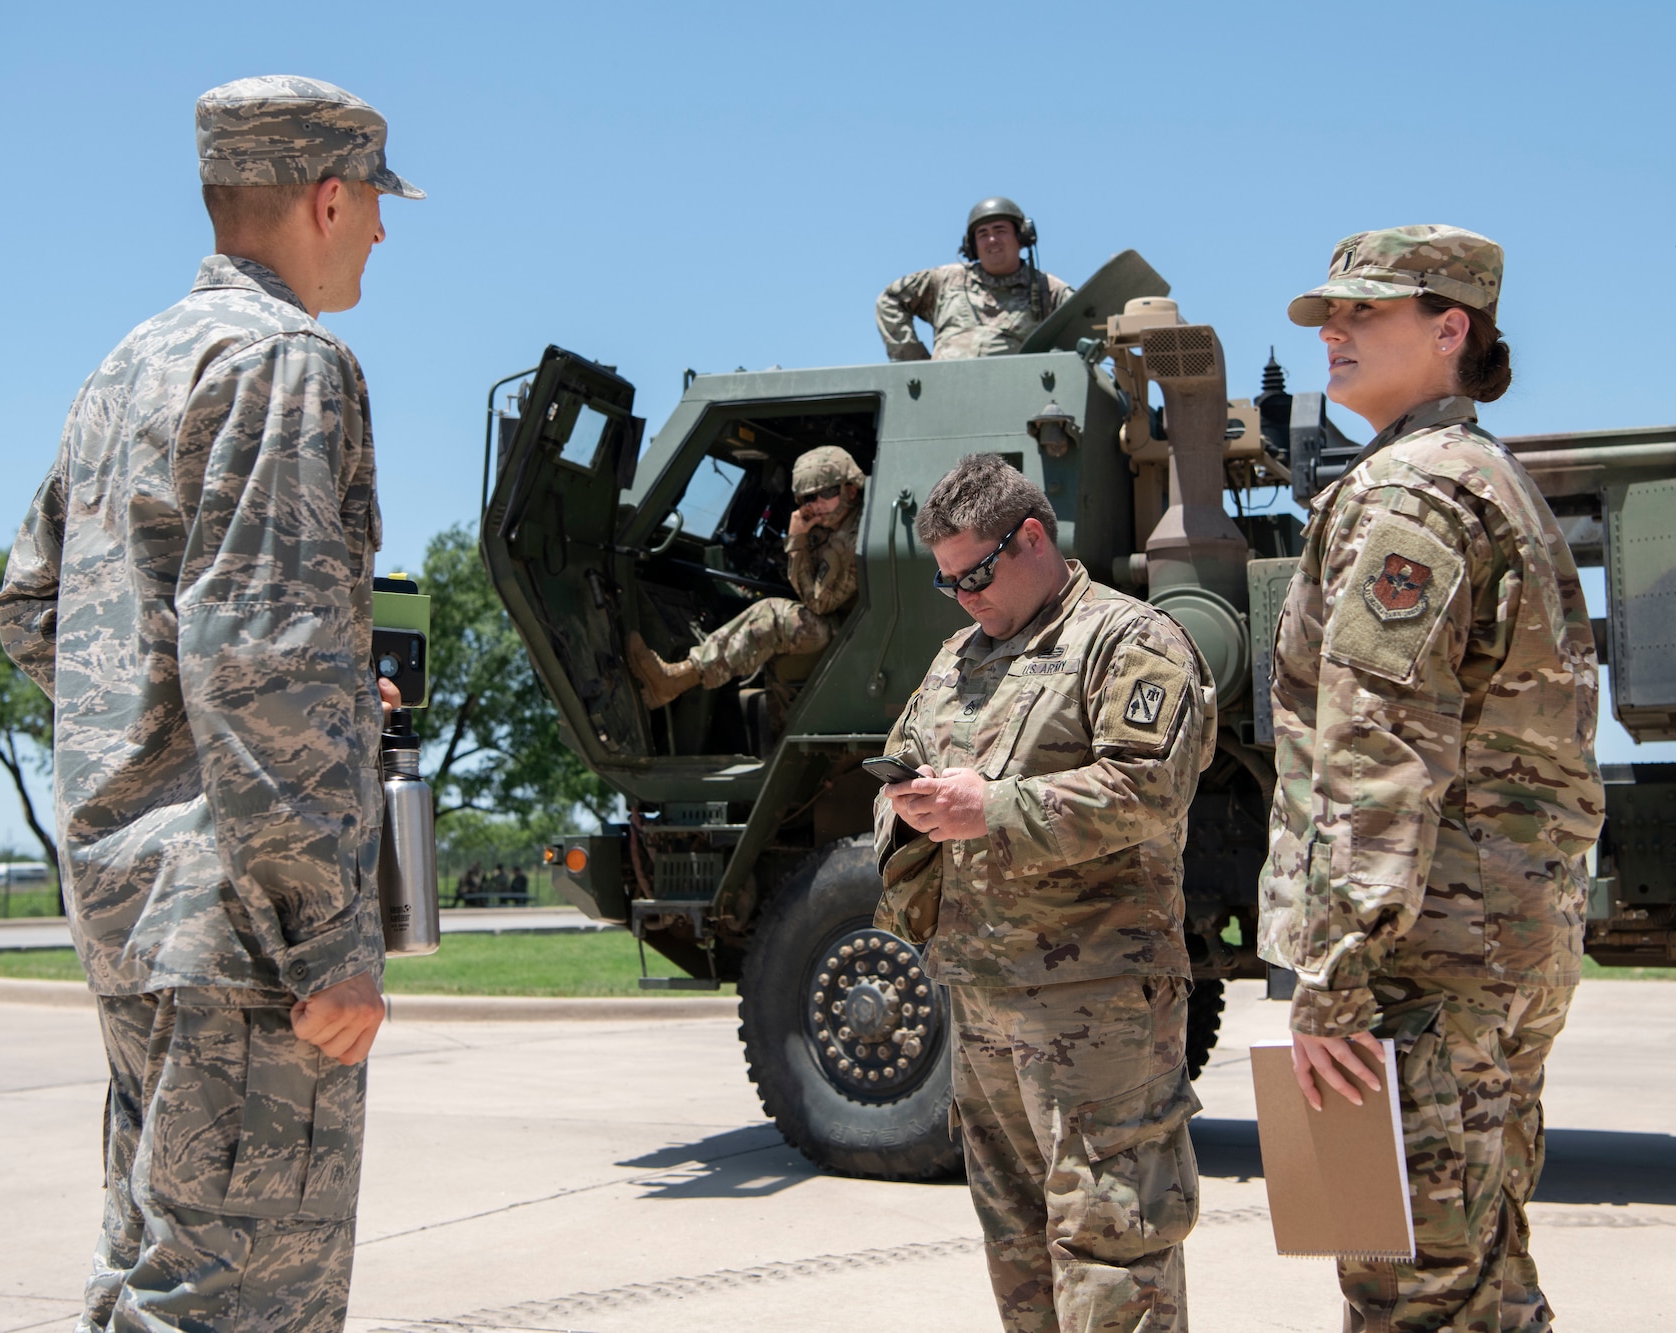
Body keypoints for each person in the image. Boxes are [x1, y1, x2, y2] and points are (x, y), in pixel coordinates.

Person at [0, 75, 424, 1333]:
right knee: (233, 1306)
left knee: (153, 1273)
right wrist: (324, 933)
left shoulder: (124, 370)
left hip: (132, 912)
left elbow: (36, 611)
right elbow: (259, 657)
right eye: (375, 206)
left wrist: (153, 740)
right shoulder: (287, 360)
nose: (383, 237)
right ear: (327, 197)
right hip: (244, 937)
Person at [1256, 225, 1604, 1333]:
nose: (1333, 333)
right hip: (1494, 950)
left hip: (1419, 964)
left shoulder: (1407, 494)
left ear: (1449, 329)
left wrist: (1337, 978)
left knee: (1409, 1292)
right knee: (1483, 1278)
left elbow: (1377, 750)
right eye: (1327, 315)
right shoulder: (1487, 477)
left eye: (1365, 312)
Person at [873, 453, 1216, 1333]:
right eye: (947, 583)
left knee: (1112, 1250)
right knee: (1019, 1251)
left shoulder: (1127, 639)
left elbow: (1149, 788)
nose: (963, 598)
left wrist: (991, 806)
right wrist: (911, 803)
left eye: (976, 574)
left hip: (1096, 1002)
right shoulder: (956, 658)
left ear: (1033, 536)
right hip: (983, 1001)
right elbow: (900, 765)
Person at [625, 445, 865, 706]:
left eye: (824, 494)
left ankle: (675, 681)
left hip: (851, 630)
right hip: (846, 624)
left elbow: (818, 603)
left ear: (850, 490)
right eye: (807, 499)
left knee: (774, 616)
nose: (815, 506)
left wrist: (797, 540)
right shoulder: (836, 524)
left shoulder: (852, 539)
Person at [876, 198, 1073, 361]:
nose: (992, 240)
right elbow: (890, 299)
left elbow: (1088, 323)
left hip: (1015, 393)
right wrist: (915, 365)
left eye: (1000, 231)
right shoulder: (944, 280)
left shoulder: (1048, 289)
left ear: (1021, 238)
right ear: (972, 246)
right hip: (942, 392)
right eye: (983, 234)